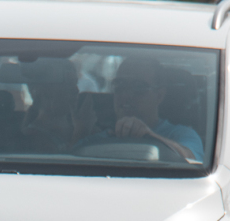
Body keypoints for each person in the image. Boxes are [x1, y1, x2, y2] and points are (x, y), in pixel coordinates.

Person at [76, 55, 204, 163]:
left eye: (138, 88)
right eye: (120, 85)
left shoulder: (181, 135)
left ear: (159, 95)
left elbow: (192, 161)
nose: (126, 95)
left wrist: (149, 135)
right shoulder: (96, 140)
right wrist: (80, 131)